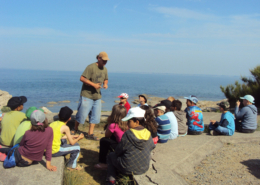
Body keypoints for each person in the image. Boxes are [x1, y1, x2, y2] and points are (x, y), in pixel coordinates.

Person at [106, 107, 155, 185]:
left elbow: (118, 151)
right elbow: (152, 147)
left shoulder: (128, 134)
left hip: (127, 167)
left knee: (111, 155)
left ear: (137, 122)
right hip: (144, 168)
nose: (127, 123)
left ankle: (111, 180)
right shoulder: (148, 133)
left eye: (129, 121)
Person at [74, 51, 109, 140]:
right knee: (82, 114)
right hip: (87, 95)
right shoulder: (91, 67)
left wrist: (105, 84)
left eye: (106, 61)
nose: (105, 62)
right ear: (99, 58)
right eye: (104, 60)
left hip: (97, 96)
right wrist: (93, 85)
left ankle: (90, 134)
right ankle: (74, 129)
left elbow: (106, 79)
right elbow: (82, 78)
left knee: (95, 116)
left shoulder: (105, 69)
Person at [50, 106, 84, 170]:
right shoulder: (65, 127)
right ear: (69, 118)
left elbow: (60, 136)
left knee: (64, 140)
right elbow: (72, 142)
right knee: (77, 147)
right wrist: (79, 138)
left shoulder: (53, 123)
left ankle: (67, 161)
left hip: (47, 150)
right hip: (54, 151)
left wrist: (73, 136)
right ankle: (72, 165)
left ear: (58, 115)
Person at [94, 105, 128, 170]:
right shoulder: (128, 123)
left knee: (103, 141)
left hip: (120, 147)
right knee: (113, 136)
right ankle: (110, 155)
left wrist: (109, 123)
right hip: (126, 146)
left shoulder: (114, 125)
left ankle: (103, 163)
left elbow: (106, 136)